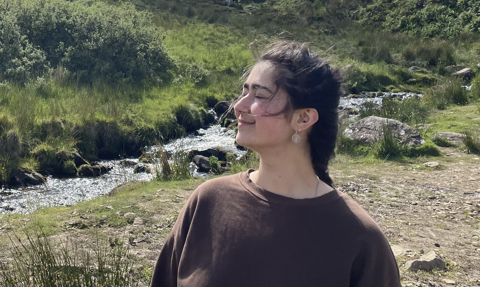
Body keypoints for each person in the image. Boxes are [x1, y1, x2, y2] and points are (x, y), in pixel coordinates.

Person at [150, 41, 401, 287]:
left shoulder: (360, 238)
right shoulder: (207, 202)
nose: (239, 106)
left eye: (259, 95)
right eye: (244, 91)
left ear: (303, 118)